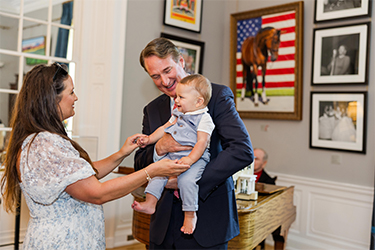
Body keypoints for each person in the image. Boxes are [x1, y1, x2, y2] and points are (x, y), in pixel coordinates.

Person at [0, 63, 190, 249]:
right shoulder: (45, 144)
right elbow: (97, 193)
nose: (76, 98)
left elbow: (82, 176)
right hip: (63, 242)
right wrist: (152, 171)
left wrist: (122, 153)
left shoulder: (41, 139)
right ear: (52, 99)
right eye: (71, 92)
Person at [134, 37, 253, 249]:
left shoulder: (216, 96)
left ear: (181, 61)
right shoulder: (152, 109)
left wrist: (187, 181)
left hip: (207, 222)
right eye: (155, 76)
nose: (164, 80)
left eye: (167, 70)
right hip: (162, 226)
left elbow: (241, 151)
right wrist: (158, 149)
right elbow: (140, 161)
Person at [132, 74, 215, 235]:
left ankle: (190, 214)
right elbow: (164, 128)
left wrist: (190, 160)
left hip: (194, 158)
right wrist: (149, 139)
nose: (176, 100)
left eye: (181, 97)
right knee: (157, 174)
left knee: (186, 180)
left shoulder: (204, 118)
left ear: (198, 102)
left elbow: (202, 143)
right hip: (172, 157)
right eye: (176, 96)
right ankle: (150, 203)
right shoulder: (177, 114)